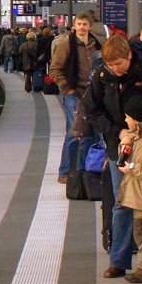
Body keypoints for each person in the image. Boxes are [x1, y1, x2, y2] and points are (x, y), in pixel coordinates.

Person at [83, 33, 142, 279]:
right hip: (117, 147)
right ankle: (119, 260)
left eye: (119, 64)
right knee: (121, 203)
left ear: (129, 56)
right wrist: (116, 131)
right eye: (111, 65)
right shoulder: (102, 77)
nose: (115, 69)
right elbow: (92, 111)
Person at [50, 11, 105, 183]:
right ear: (74, 25)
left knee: (91, 133)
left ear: (90, 26)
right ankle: (65, 171)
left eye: (85, 24)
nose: (82, 27)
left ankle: (83, 170)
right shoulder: (67, 44)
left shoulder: (96, 44)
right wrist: (67, 88)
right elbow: (55, 69)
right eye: (79, 24)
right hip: (74, 93)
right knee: (73, 132)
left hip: (93, 93)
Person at [117, 94, 142, 283]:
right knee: (141, 232)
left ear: (137, 118)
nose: (126, 120)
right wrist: (123, 147)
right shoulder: (135, 137)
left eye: (128, 117)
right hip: (138, 195)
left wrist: (132, 169)